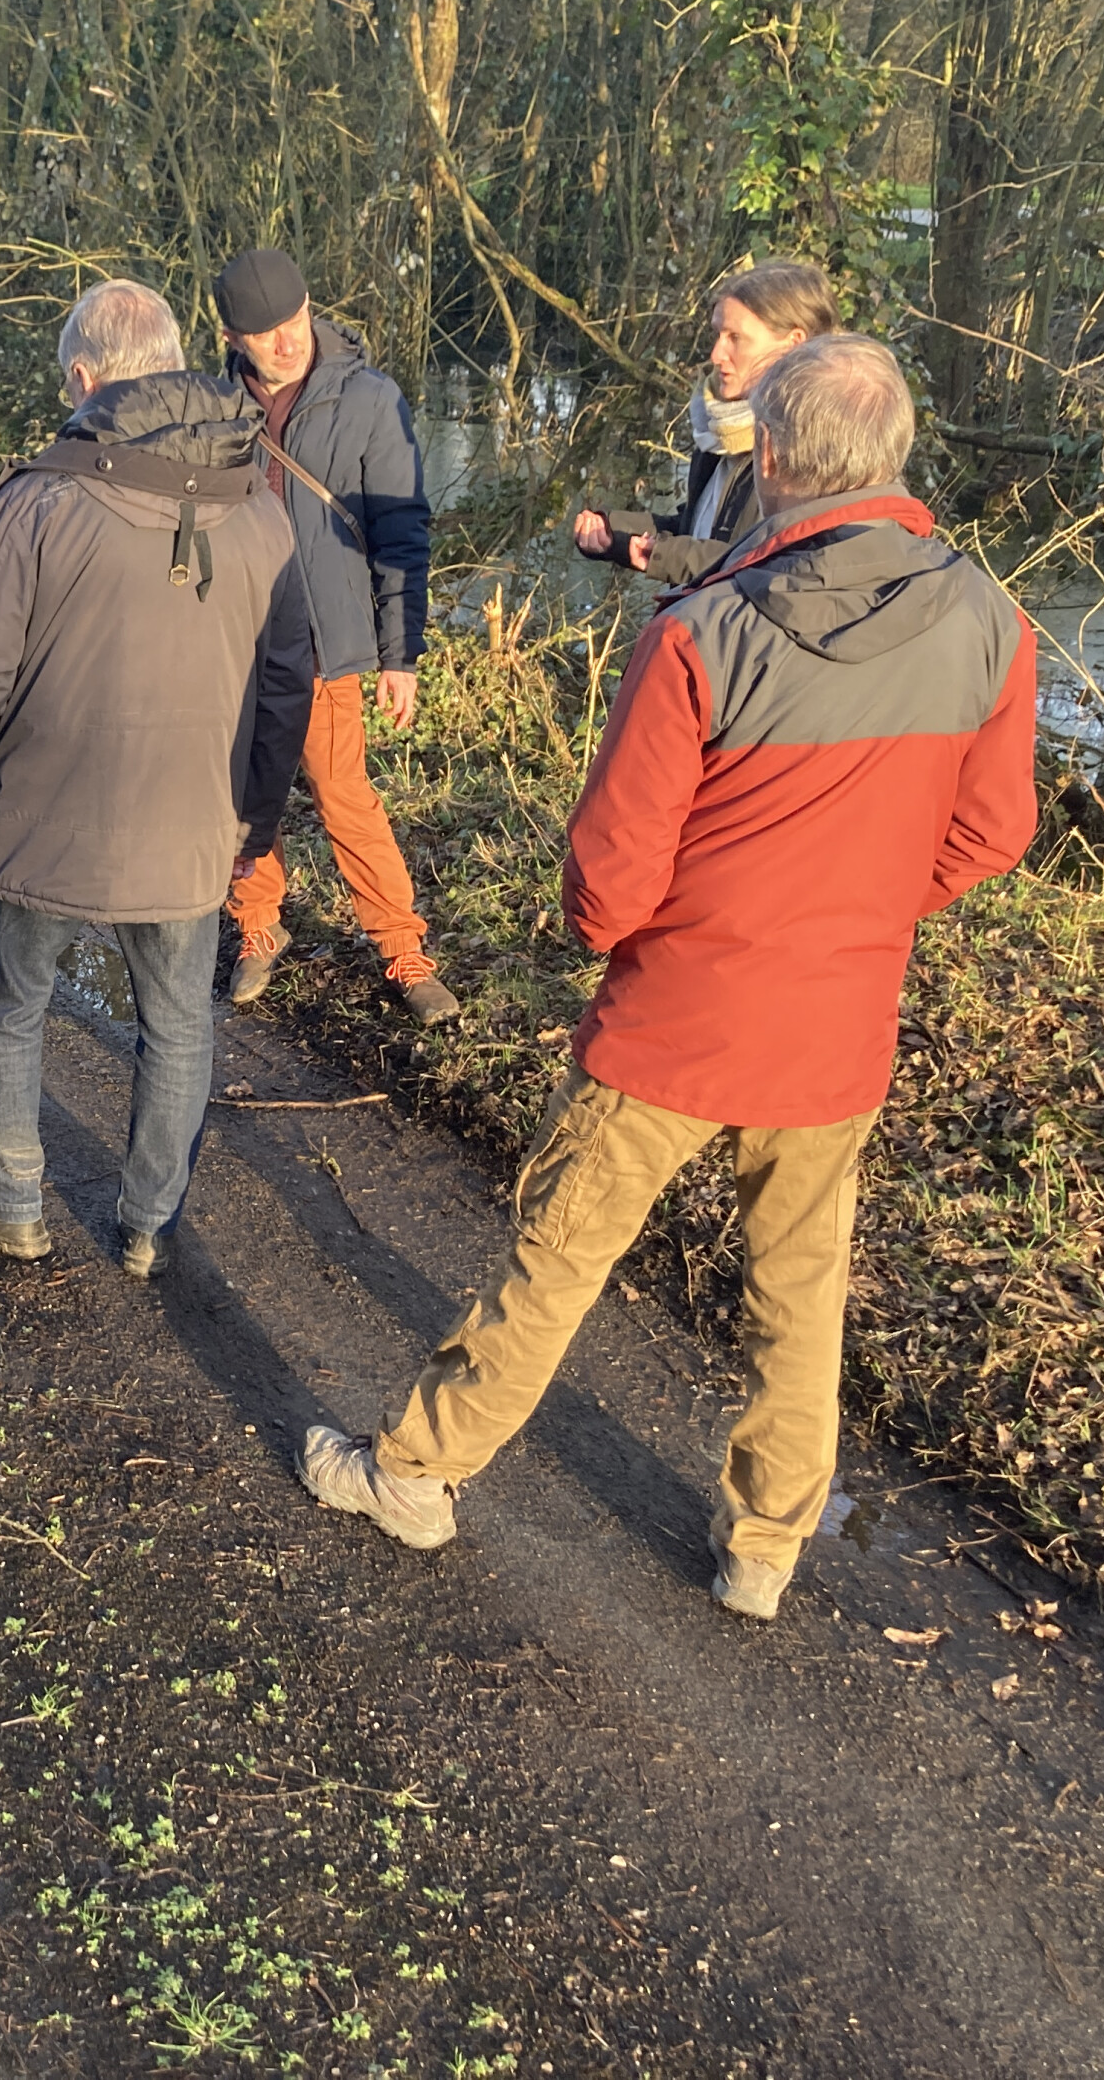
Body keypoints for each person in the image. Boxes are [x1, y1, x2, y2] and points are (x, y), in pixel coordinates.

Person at [297, 337, 1039, 1621]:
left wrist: (623, 933)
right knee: (800, 1295)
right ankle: (764, 1550)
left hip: (675, 1020)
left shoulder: (705, 632)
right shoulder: (991, 620)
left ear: (777, 457)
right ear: (896, 455)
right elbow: (991, 831)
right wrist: (861, 911)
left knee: (556, 1258)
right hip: (838, 1022)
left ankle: (415, 1472)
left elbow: (611, 875)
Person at [0, 280, 311, 1278]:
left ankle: (10, 1202)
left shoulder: (40, 498)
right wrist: (254, 822)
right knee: (177, 1027)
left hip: (41, 812)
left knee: (12, 1006)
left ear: (87, 377)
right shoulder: (261, 505)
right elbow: (284, 687)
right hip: (193, 820)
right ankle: (149, 1225)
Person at [210, 248, 457, 1027]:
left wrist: (399, 652)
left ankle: (402, 946)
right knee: (241, 795)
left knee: (343, 796)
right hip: (235, 645)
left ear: (310, 304)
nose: (288, 342)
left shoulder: (370, 399)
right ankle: (257, 923)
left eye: (296, 320)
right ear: (231, 337)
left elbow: (402, 530)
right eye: (266, 333)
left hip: (322, 645)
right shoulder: (211, 407)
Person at [574, 259, 839, 593]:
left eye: (735, 338)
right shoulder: (724, 428)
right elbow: (698, 530)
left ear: (793, 343)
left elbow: (767, 563)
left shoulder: (816, 448)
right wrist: (611, 531)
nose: (716, 354)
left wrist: (665, 556)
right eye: (718, 334)